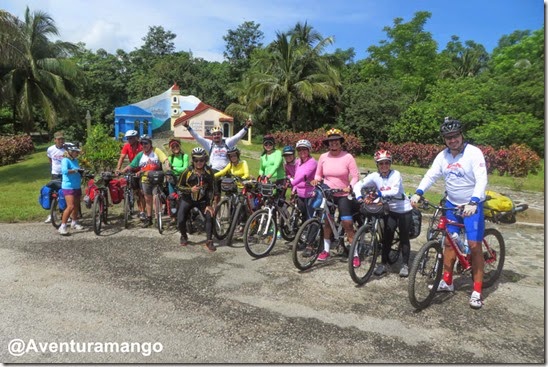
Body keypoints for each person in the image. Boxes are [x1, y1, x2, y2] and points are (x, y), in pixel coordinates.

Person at [410, 117, 488, 309]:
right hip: (453, 204)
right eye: (448, 137)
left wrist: (474, 201)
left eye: (455, 136)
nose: (452, 140)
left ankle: (477, 290)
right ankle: (447, 281)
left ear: (461, 135)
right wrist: (418, 193)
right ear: (444, 139)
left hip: (472, 205)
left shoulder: (473, 153)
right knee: (449, 243)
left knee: (474, 245)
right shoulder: (443, 156)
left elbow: (481, 179)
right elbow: (431, 174)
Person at [353, 150, 413, 275]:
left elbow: (395, 191)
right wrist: (359, 197)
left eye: (386, 163)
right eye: (381, 164)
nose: (384, 166)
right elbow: (358, 185)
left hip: (403, 209)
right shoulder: (375, 176)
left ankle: (405, 265)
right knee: (387, 237)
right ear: (377, 165)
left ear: (390, 163)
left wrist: (378, 194)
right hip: (389, 209)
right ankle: (383, 264)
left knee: (404, 237)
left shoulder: (396, 174)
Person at [311, 128, 360, 261]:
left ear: (340, 142)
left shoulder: (348, 157)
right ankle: (326, 250)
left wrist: (350, 187)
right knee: (327, 222)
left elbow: (355, 176)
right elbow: (319, 174)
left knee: (347, 223)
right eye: (331, 141)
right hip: (328, 193)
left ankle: (355, 254)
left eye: (336, 141)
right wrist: (316, 180)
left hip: (343, 195)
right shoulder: (323, 157)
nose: (334, 143)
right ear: (328, 143)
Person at [123, 135, 171, 228]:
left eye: (146, 143)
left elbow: (165, 160)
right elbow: (131, 165)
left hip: (156, 178)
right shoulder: (140, 155)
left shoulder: (156, 151)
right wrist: (121, 171)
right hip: (145, 179)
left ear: (150, 143)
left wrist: (168, 169)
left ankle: (158, 218)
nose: (144, 145)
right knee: (147, 199)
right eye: (142, 143)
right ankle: (149, 219)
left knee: (156, 198)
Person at [176, 147, 216, 252]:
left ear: (205, 160)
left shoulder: (209, 172)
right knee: (180, 217)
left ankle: (209, 240)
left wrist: (209, 204)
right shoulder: (187, 171)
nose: (199, 163)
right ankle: (184, 236)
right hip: (187, 199)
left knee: (209, 216)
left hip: (202, 200)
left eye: (201, 160)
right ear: (192, 160)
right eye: (196, 160)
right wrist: (190, 189)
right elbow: (179, 186)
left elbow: (212, 189)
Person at [115, 129, 145, 220]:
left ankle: (142, 212)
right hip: (132, 169)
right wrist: (118, 168)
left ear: (136, 138)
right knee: (134, 190)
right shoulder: (126, 146)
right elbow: (122, 157)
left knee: (141, 192)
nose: (129, 140)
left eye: (131, 138)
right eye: (127, 138)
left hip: (142, 169)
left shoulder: (141, 146)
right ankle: (130, 203)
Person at [58, 143, 84, 235]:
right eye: (75, 152)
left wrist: (81, 171)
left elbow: (77, 169)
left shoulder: (75, 160)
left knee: (76, 206)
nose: (77, 153)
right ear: (70, 152)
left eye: (77, 152)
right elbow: (65, 171)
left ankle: (74, 222)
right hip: (68, 186)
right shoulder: (65, 160)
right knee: (70, 206)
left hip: (77, 185)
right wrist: (77, 170)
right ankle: (63, 226)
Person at [289, 139, 318, 222]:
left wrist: (292, 183)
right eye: (299, 149)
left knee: (309, 216)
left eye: (304, 149)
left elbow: (303, 175)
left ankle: (311, 232)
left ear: (309, 150)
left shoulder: (312, 162)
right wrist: (294, 188)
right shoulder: (298, 162)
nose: (302, 151)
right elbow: (296, 175)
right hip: (300, 193)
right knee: (302, 215)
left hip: (310, 193)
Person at [45, 131, 66, 223]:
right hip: (55, 174)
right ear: (55, 140)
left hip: (65, 174)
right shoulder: (50, 149)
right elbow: (50, 159)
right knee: (53, 193)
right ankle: (52, 214)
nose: (61, 141)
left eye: (62, 139)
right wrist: (54, 168)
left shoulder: (67, 149)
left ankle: (64, 213)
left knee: (64, 193)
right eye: (59, 139)